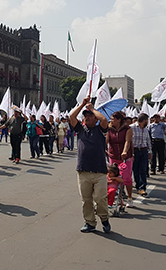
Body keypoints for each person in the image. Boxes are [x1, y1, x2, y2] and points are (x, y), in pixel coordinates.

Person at [69, 96, 111, 233]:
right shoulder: (81, 130)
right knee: (86, 200)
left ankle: (104, 219)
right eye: (85, 116)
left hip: (99, 171)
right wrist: (82, 104)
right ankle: (90, 223)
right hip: (83, 170)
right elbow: (71, 116)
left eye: (90, 116)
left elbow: (104, 120)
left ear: (95, 119)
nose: (87, 118)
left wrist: (92, 109)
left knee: (100, 198)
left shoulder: (100, 130)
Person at [106, 111, 134, 207]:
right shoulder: (109, 129)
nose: (111, 120)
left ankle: (129, 198)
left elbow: (128, 141)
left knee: (126, 178)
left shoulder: (128, 129)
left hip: (125, 158)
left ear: (119, 120)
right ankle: (119, 198)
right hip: (113, 156)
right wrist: (103, 150)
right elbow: (106, 141)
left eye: (113, 118)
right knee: (115, 177)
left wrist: (125, 151)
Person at [131, 114, 151, 197]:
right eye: (147, 120)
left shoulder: (146, 129)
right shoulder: (131, 128)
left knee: (143, 169)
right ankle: (138, 185)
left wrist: (150, 151)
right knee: (136, 169)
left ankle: (142, 187)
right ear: (144, 120)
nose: (148, 122)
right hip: (135, 151)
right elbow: (129, 141)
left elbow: (148, 140)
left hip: (144, 151)